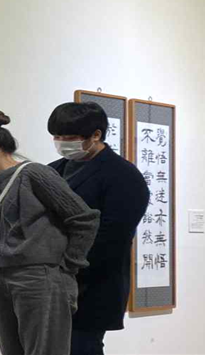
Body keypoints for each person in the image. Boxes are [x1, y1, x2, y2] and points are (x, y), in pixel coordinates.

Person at [0, 110, 101, 355]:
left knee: (46, 349)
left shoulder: (34, 174)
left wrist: (68, 265)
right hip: (1, 275)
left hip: (40, 275)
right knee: (12, 349)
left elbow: (84, 218)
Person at [47, 102, 150, 355]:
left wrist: (68, 267)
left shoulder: (123, 176)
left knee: (81, 347)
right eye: (57, 136)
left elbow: (112, 238)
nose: (61, 143)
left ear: (96, 135)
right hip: (50, 283)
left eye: (69, 138)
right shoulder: (52, 171)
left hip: (92, 285)